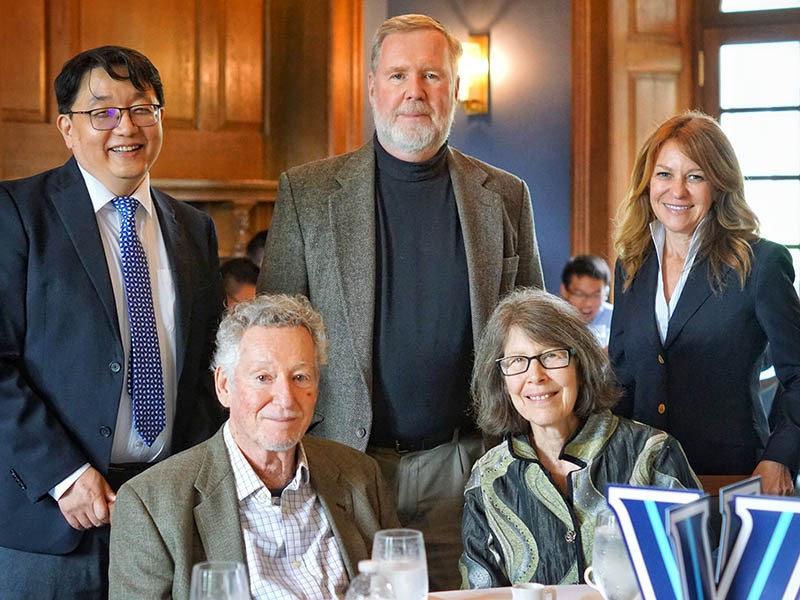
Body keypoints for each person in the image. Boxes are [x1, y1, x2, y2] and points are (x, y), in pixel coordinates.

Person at [258, 13, 543, 589]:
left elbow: (533, 334)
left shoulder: (505, 196)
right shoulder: (308, 193)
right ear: (371, 87)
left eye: (433, 75)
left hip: (463, 468)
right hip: (339, 466)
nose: (415, 91)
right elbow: (271, 339)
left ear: (456, 90)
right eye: (399, 75)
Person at [0, 46, 223, 597]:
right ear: (67, 128)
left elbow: (204, 376)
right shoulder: (18, 215)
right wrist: (65, 476)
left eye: (143, 109)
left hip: (164, 517)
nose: (126, 126)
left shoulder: (194, 229)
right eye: (102, 112)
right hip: (52, 522)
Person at [109, 294, 399, 599]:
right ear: (224, 386)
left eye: (300, 377)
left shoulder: (360, 474)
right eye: (263, 378)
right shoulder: (151, 505)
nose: (285, 398)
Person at [609, 111, 800, 495]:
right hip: (642, 480)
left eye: (695, 176)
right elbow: (621, 380)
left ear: (719, 184)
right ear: (647, 182)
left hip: (734, 478)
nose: (677, 191)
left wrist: (780, 456)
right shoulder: (631, 264)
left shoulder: (760, 263)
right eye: (664, 174)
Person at [459, 289, 699, 587]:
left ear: (581, 365)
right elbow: (478, 592)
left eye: (551, 356)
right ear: (502, 379)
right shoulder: (489, 478)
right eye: (518, 360)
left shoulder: (652, 454)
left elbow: (695, 579)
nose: (535, 375)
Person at [560, 254, 613, 348]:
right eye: (580, 294)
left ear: (606, 292)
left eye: (596, 295)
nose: (588, 303)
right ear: (564, 291)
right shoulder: (553, 319)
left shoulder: (616, 317)